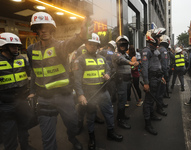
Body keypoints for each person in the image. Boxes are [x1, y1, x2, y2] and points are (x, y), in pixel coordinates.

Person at [27, 12, 93, 150]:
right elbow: (34, 72)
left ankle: (72, 137)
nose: (43, 30)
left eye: (46, 27)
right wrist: (32, 92)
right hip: (44, 98)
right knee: (47, 139)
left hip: (64, 97)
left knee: (73, 125)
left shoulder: (60, 46)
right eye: (39, 27)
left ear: (52, 28)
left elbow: (73, 42)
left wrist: (82, 35)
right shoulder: (31, 49)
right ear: (36, 30)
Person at [73, 33, 123, 150]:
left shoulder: (102, 58)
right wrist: (80, 95)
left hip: (103, 91)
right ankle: (92, 138)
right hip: (89, 93)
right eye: (90, 44)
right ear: (86, 44)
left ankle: (111, 133)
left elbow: (109, 69)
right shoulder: (80, 60)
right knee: (90, 117)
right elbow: (77, 80)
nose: (93, 47)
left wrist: (108, 75)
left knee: (109, 113)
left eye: (95, 45)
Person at [0, 32, 36, 150]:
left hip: (22, 100)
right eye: (12, 46)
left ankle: (25, 146)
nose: (16, 48)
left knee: (24, 126)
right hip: (5, 104)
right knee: (9, 132)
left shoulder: (21, 59)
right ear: (4, 47)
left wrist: (32, 91)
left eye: (17, 46)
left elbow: (32, 74)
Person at [141, 28, 166, 135]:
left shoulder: (155, 50)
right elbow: (145, 68)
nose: (159, 39)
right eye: (157, 37)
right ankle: (147, 124)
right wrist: (146, 83)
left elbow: (158, 65)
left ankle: (151, 115)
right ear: (151, 38)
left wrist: (162, 76)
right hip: (151, 79)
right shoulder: (146, 51)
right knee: (148, 101)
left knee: (152, 99)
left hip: (157, 78)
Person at [112, 35, 138, 129]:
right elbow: (121, 60)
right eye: (121, 45)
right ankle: (120, 120)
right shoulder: (116, 54)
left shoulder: (126, 55)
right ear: (118, 45)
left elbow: (128, 67)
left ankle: (121, 116)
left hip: (127, 80)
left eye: (124, 45)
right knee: (122, 101)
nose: (122, 46)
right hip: (121, 81)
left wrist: (133, 67)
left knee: (124, 99)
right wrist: (131, 63)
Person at [156, 35, 170, 113]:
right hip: (162, 74)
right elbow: (164, 65)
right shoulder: (164, 50)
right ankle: (159, 108)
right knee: (161, 91)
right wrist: (166, 75)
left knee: (159, 91)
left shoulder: (158, 49)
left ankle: (160, 104)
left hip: (158, 73)